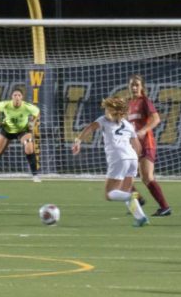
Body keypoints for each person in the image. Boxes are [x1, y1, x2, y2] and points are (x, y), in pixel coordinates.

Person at [72, 96, 149, 227]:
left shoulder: (104, 120)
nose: (105, 111)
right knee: (124, 191)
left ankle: (132, 196)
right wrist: (133, 161)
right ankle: (141, 218)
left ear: (112, 111)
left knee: (109, 194)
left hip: (119, 158)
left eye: (107, 108)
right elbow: (138, 147)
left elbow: (90, 128)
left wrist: (78, 140)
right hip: (132, 159)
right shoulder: (128, 125)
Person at [126, 74, 171, 216]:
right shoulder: (128, 103)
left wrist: (144, 130)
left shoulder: (144, 101)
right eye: (132, 84)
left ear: (142, 87)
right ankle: (138, 200)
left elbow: (156, 119)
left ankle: (165, 207)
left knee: (147, 178)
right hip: (133, 145)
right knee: (123, 176)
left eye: (137, 85)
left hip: (146, 144)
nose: (134, 87)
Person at [0, 87, 41, 182]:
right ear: (12, 97)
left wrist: (33, 122)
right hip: (7, 129)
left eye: (19, 95)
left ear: (22, 97)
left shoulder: (27, 106)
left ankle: (35, 176)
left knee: (29, 148)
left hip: (22, 130)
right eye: (15, 95)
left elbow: (37, 112)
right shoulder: (6, 104)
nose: (17, 97)